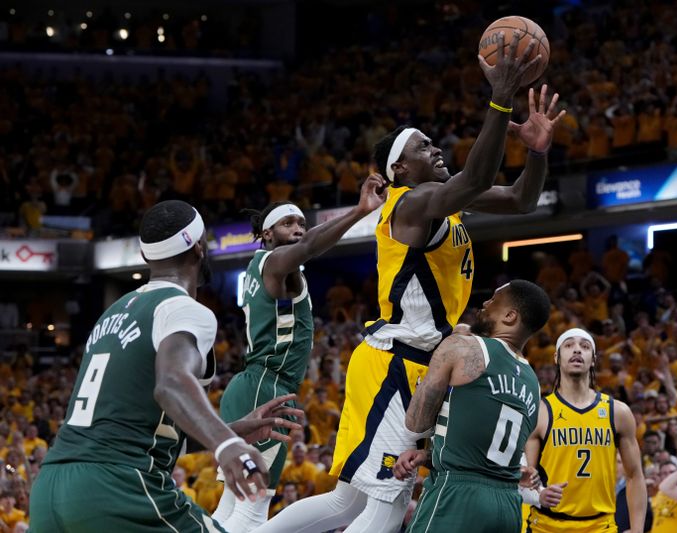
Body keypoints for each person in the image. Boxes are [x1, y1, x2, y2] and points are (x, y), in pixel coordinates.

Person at [255, 31, 565, 533]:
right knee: (388, 504)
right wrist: (500, 101)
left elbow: (520, 201)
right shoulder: (411, 203)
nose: (436, 147)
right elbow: (476, 179)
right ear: (398, 168)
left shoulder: (443, 199)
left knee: (347, 504)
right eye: (423, 145)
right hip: (394, 362)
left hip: (412, 361)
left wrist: (536, 153)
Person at [29, 200, 303, 531]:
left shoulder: (113, 311)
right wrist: (228, 446)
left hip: (50, 489)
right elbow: (170, 383)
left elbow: (141, 429)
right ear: (200, 248)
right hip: (118, 487)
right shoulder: (184, 310)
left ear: (146, 257)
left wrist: (235, 429)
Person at [213, 175, 386, 532]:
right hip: (266, 387)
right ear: (266, 233)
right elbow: (308, 246)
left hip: (252, 385)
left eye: (301, 223)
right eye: (287, 222)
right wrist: (359, 211)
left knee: (231, 506)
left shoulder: (270, 267)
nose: (297, 228)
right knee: (252, 509)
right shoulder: (275, 263)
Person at [392, 280, 550, 532]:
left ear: (510, 316)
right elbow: (483, 450)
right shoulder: (533, 382)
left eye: (493, 301)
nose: (484, 304)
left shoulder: (463, 346)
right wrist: (427, 456)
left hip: (457, 499)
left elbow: (416, 424)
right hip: (508, 507)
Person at [526, 328, 646, 532]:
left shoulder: (618, 412)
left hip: (601, 525)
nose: (577, 350)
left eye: (584, 346)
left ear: (593, 359)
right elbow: (526, 477)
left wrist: (637, 530)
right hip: (546, 526)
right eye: (569, 345)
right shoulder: (539, 412)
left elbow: (634, 475)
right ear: (556, 357)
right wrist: (539, 493)